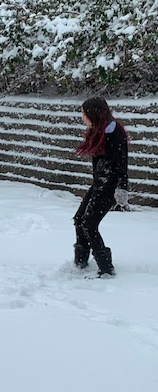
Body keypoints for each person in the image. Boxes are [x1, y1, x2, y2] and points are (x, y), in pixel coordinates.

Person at [73, 96, 129, 276]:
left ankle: (106, 269)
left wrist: (122, 187)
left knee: (89, 224)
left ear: (94, 113)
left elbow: (122, 162)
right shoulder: (99, 131)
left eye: (84, 113)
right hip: (99, 184)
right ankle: (80, 262)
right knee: (79, 219)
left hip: (109, 187)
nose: (82, 116)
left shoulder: (114, 132)